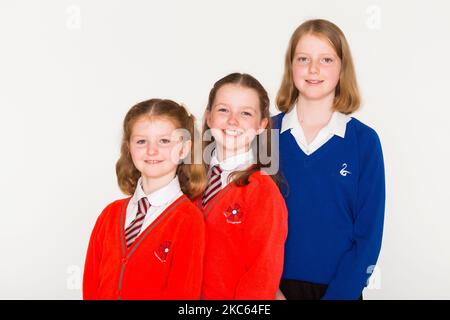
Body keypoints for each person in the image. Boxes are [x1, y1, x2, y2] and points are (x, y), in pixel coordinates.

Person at [272, 19, 386, 300]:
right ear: (291, 66)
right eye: (303, 59)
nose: (313, 69)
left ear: (341, 68)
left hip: (340, 290)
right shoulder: (265, 135)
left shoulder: (364, 141)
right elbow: (248, 226)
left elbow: (369, 234)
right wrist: (268, 290)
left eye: (326, 59)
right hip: (271, 288)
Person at [83, 99, 206, 299]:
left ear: (184, 149)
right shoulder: (109, 215)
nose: (152, 150)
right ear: (129, 148)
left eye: (164, 141)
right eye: (141, 141)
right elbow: (91, 284)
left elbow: (184, 294)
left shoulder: (188, 220)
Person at [197, 72, 288, 299]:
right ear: (209, 117)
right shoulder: (189, 181)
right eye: (223, 110)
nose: (233, 121)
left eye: (245, 113)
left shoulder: (264, 192)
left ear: (261, 125)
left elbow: (262, 275)